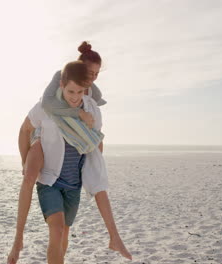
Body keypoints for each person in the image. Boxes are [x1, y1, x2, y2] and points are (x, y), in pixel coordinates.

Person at [7, 44, 131, 264]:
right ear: (62, 85)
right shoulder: (46, 107)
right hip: (50, 180)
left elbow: (96, 143)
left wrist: (94, 169)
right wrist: (24, 160)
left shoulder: (93, 109)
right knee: (55, 230)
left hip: (73, 184)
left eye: (80, 91)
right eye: (70, 91)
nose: (75, 96)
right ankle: (18, 240)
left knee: (64, 234)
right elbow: (25, 129)